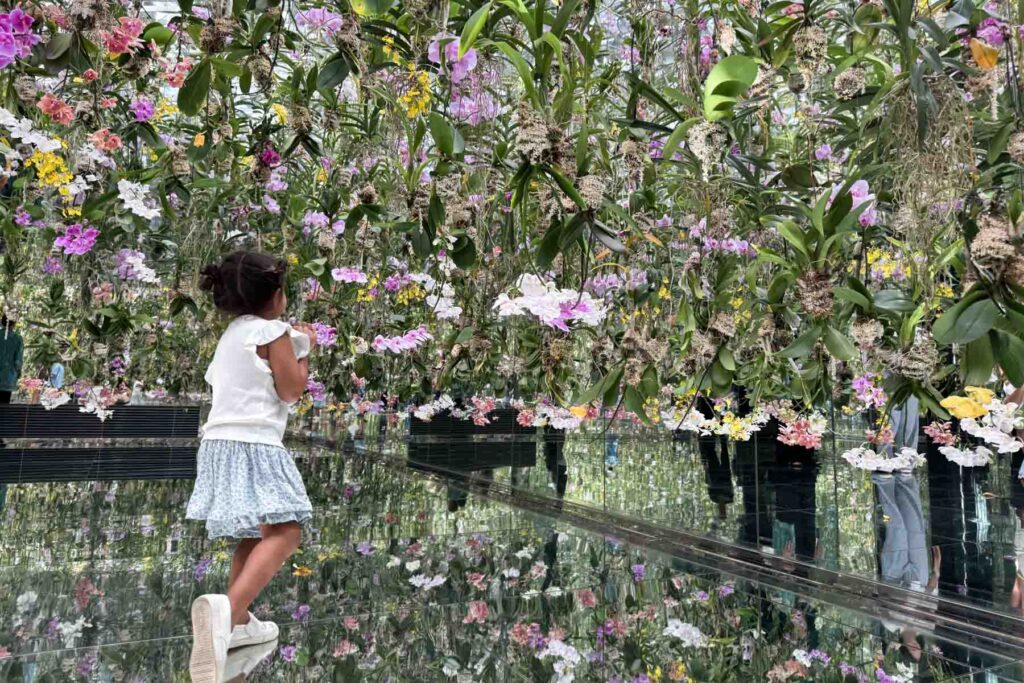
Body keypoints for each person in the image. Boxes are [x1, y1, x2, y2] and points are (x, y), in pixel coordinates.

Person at [186, 251, 318, 683]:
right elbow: (292, 391)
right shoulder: (272, 331)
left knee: (253, 531)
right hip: (254, 442)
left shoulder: (233, 333)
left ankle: (239, 623)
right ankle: (225, 614)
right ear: (276, 297)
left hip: (218, 442)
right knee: (286, 531)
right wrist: (306, 350)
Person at [0, 314, 23, 404]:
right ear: (13, 324)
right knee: (4, 406)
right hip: (8, 378)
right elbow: (18, 360)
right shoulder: (18, 339)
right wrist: (18, 372)